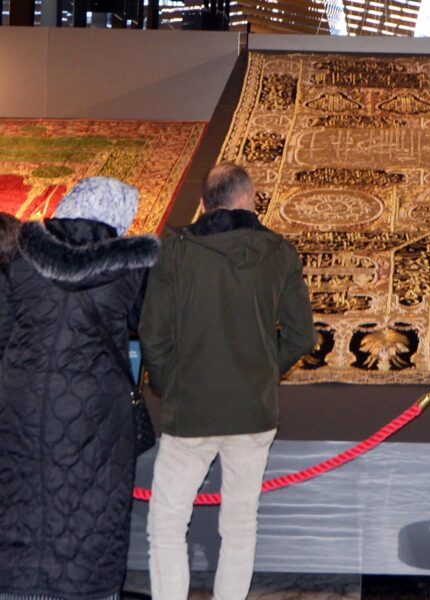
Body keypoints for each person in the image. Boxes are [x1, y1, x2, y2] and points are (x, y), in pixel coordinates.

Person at [139, 163, 315, 600]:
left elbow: (153, 337)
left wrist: (172, 382)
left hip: (191, 410)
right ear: (248, 200)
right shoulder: (280, 253)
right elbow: (302, 336)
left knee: (166, 524)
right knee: (239, 526)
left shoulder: (174, 253)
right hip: (253, 410)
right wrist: (263, 371)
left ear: (204, 204)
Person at [0, 178, 159, 600]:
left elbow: (2, 332)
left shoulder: (19, 257)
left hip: (21, 399)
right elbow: (152, 329)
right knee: (93, 509)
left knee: (18, 498)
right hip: (98, 409)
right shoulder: (131, 270)